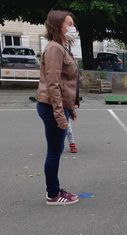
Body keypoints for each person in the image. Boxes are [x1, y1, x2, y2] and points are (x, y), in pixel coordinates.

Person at [36, 10, 80, 205]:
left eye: (73, 24)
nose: (73, 28)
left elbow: (67, 83)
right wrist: (61, 114)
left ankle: (53, 190)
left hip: (60, 106)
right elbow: (53, 84)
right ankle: (53, 194)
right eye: (69, 24)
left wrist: (72, 108)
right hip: (53, 107)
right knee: (54, 151)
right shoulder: (54, 48)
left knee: (56, 149)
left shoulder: (62, 48)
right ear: (57, 26)